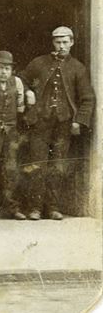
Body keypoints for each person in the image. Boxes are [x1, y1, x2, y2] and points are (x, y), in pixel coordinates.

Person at [19, 26, 96, 221]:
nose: (61, 46)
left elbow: (87, 98)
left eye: (64, 42)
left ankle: (52, 208)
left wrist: (79, 121)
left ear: (71, 43)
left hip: (64, 125)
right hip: (40, 123)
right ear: (52, 43)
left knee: (58, 166)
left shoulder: (78, 68)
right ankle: (34, 208)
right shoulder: (39, 63)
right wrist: (27, 91)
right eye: (57, 42)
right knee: (37, 164)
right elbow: (21, 79)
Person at [0, 51, 27, 220]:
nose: (4, 72)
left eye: (7, 68)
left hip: (11, 132)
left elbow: (20, 108)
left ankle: (13, 208)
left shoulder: (17, 83)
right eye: (0, 68)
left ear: (12, 70)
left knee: (11, 170)